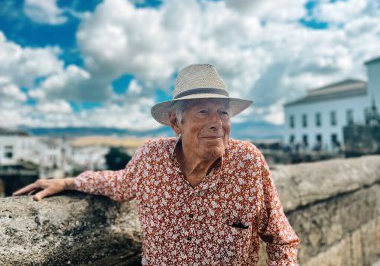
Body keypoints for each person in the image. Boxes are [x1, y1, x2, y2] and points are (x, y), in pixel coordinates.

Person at [14, 64, 300, 265]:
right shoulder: (151, 158)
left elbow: (282, 240)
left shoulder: (247, 162)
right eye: (203, 111)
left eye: (223, 112)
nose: (217, 123)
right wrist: (67, 182)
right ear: (176, 122)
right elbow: (119, 184)